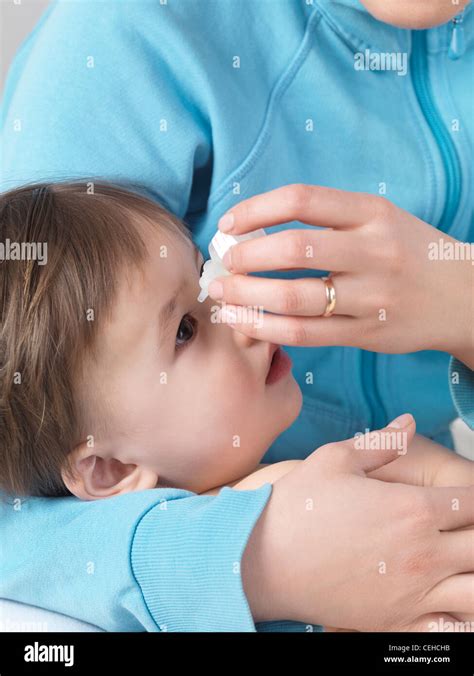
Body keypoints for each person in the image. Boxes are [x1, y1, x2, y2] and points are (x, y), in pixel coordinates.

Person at [1, 0, 472, 632]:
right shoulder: (128, 40)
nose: (243, 316)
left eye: (205, 277)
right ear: (107, 471)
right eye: (187, 328)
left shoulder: (395, 461)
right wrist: (257, 559)